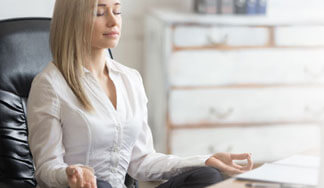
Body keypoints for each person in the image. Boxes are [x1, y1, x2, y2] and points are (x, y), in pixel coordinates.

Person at [27, 0, 254, 188]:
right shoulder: (50, 85)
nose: (113, 21)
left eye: (117, 11)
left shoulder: (130, 79)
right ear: (73, 21)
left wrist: (205, 161)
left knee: (207, 176)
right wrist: (69, 174)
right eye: (99, 12)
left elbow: (142, 162)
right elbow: (46, 168)